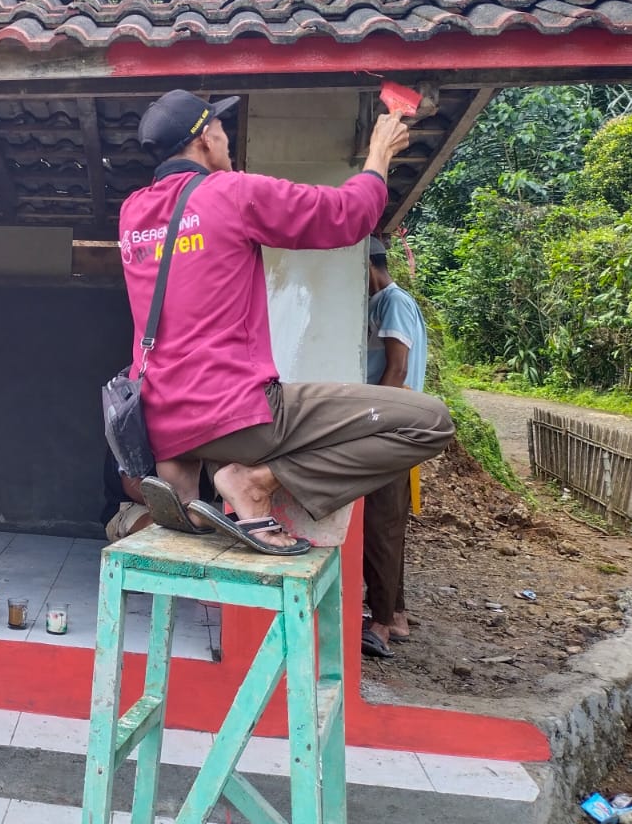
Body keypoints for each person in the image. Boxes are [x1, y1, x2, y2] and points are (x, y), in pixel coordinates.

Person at [117, 90, 454, 555]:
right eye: (220, 128)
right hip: (233, 414)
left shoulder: (133, 212)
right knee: (430, 421)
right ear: (204, 139)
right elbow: (346, 215)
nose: (227, 137)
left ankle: (200, 483)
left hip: (161, 420)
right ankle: (254, 480)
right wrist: (378, 156)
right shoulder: (231, 194)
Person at [361, 236, 430, 659]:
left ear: (365, 267)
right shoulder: (385, 303)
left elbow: (397, 367)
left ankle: (382, 624)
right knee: (386, 527)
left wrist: (370, 421)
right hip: (393, 427)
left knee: (381, 527)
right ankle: (396, 615)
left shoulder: (392, 302)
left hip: (391, 428)